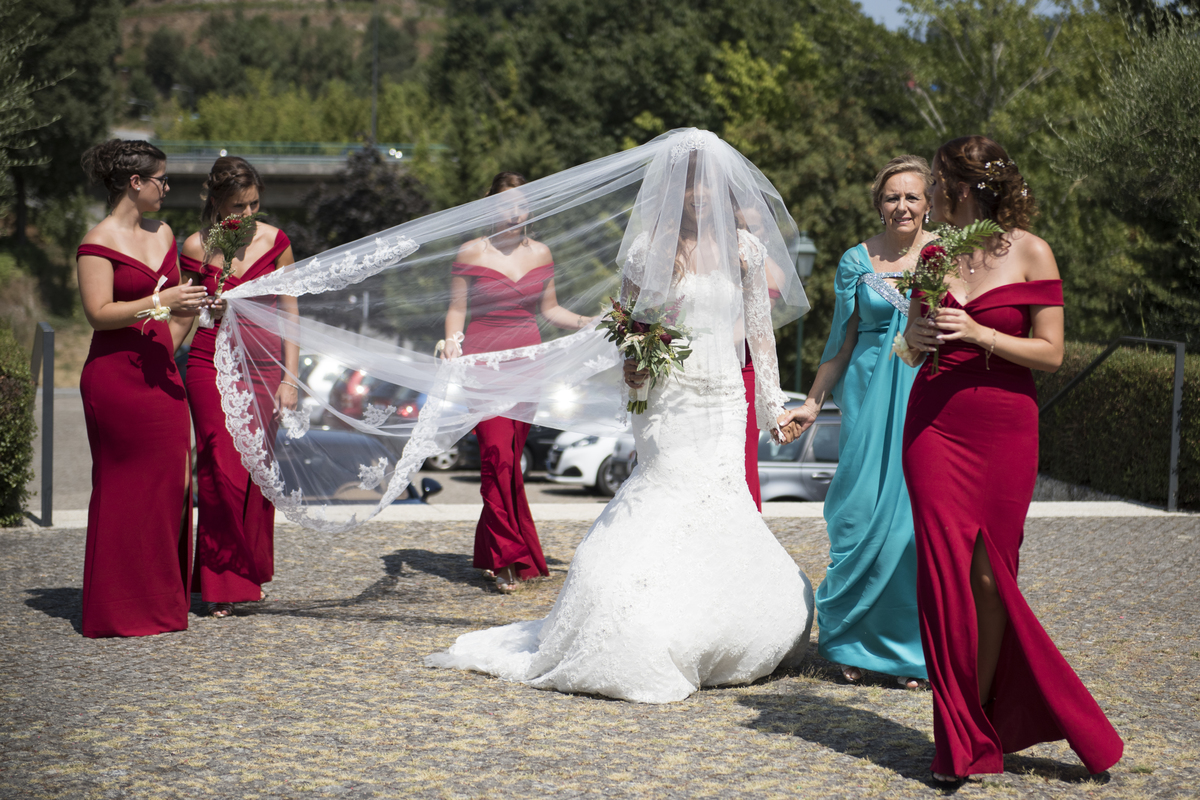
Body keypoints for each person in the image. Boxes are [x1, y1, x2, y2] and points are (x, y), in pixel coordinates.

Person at [426, 133, 815, 703]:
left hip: (724, 398)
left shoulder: (746, 251)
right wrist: (636, 365)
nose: (699, 197)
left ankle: (721, 628)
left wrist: (771, 406)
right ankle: (639, 625)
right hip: (666, 400)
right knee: (666, 493)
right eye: (687, 187)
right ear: (672, 193)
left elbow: (759, 334)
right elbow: (630, 325)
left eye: (707, 185)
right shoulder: (646, 252)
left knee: (723, 498)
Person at [900, 136, 1123, 781]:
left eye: (936, 182)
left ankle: (985, 715)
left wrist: (980, 332)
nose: (930, 194)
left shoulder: (1031, 251)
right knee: (943, 581)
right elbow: (914, 349)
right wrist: (916, 336)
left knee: (992, 581)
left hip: (1004, 429)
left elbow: (1051, 353)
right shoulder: (935, 256)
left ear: (963, 187)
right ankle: (961, 740)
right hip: (934, 427)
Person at [779, 156, 934, 689]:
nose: (902, 206)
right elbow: (840, 341)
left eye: (912, 196)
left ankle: (907, 652)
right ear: (879, 204)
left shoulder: (946, 255)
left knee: (912, 526)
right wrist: (812, 401)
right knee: (859, 514)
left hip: (926, 393)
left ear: (929, 203)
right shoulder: (855, 259)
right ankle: (850, 642)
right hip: (869, 392)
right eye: (892, 197)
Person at [76, 139, 208, 637]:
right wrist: (161, 300)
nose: (167, 187)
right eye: (161, 179)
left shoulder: (164, 232)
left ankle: (160, 603)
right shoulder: (97, 242)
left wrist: (183, 319)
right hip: (113, 378)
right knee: (121, 489)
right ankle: (117, 608)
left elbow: (176, 313)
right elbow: (99, 313)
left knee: (170, 487)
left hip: (161, 375)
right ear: (136, 182)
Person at [442, 172, 593, 593]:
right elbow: (457, 310)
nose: (513, 212)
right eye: (504, 205)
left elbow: (552, 309)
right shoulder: (470, 252)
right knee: (495, 456)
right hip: (483, 360)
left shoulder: (542, 252)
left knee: (510, 458)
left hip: (528, 362)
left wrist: (592, 323)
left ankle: (499, 550)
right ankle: (509, 557)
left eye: (521, 204)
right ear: (489, 207)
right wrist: (453, 342)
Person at [180, 156, 299, 618]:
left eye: (253, 204)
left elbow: (290, 311)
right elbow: (185, 314)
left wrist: (291, 376)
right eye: (238, 206)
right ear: (215, 201)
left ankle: (241, 572)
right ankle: (220, 582)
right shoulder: (195, 246)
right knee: (218, 468)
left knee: (254, 471)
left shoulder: (277, 241)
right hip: (211, 360)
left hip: (267, 365)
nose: (248, 215)